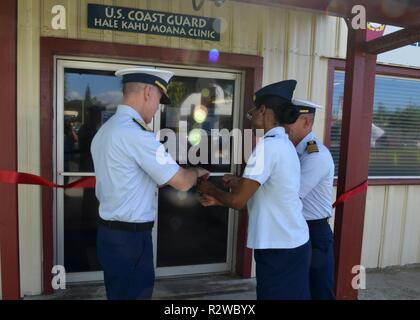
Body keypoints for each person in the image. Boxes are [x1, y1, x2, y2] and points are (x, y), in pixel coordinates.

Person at [91, 67, 209, 300]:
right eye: (158, 99)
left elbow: (130, 179)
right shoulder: (137, 135)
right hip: (131, 241)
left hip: (110, 235)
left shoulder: (106, 130)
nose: (157, 108)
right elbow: (183, 183)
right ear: (147, 92)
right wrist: (197, 171)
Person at [197, 80, 311, 300]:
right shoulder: (283, 143)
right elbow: (271, 191)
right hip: (289, 243)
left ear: (263, 110)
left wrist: (210, 187)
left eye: (252, 112)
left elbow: (239, 201)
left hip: (279, 247)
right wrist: (235, 188)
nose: (250, 117)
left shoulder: (267, 147)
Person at [284, 99, 335, 300]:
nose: (285, 125)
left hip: (314, 232)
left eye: (290, 120)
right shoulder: (292, 151)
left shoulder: (316, 154)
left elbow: (291, 194)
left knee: (319, 290)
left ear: (306, 122)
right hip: (296, 229)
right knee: (297, 290)